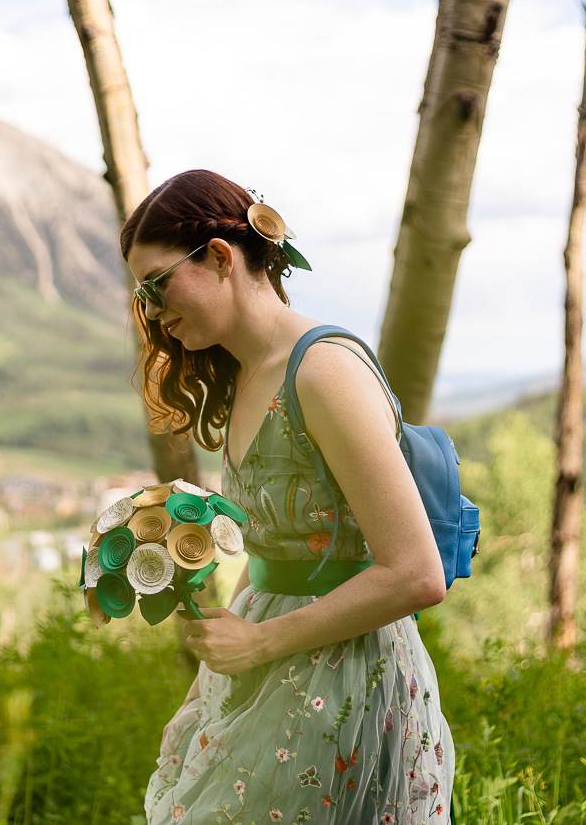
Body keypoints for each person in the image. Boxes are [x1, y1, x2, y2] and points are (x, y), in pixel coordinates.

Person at [124, 170, 452, 824]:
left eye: (158, 285)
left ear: (220, 256)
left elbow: (417, 573)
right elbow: (278, 554)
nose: (154, 311)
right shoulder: (246, 377)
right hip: (271, 674)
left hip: (349, 686)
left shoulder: (324, 370)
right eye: (142, 294)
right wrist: (216, 675)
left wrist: (261, 642)